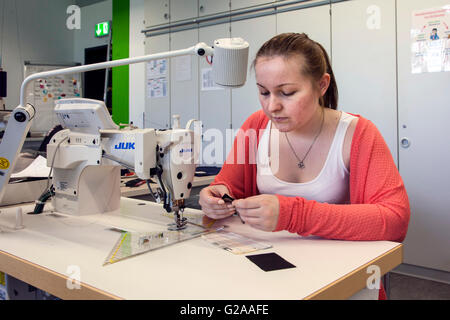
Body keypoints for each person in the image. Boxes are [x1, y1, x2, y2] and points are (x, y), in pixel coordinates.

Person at [199, 32, 410, 242]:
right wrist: (216, 197)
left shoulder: (358, 133)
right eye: (264, 93)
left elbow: (394, 220)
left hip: (338, 265)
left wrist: (293, 215)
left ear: (321, 85)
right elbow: (228, 186)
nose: (272, 107)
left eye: (287, 92)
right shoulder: (255, 126)